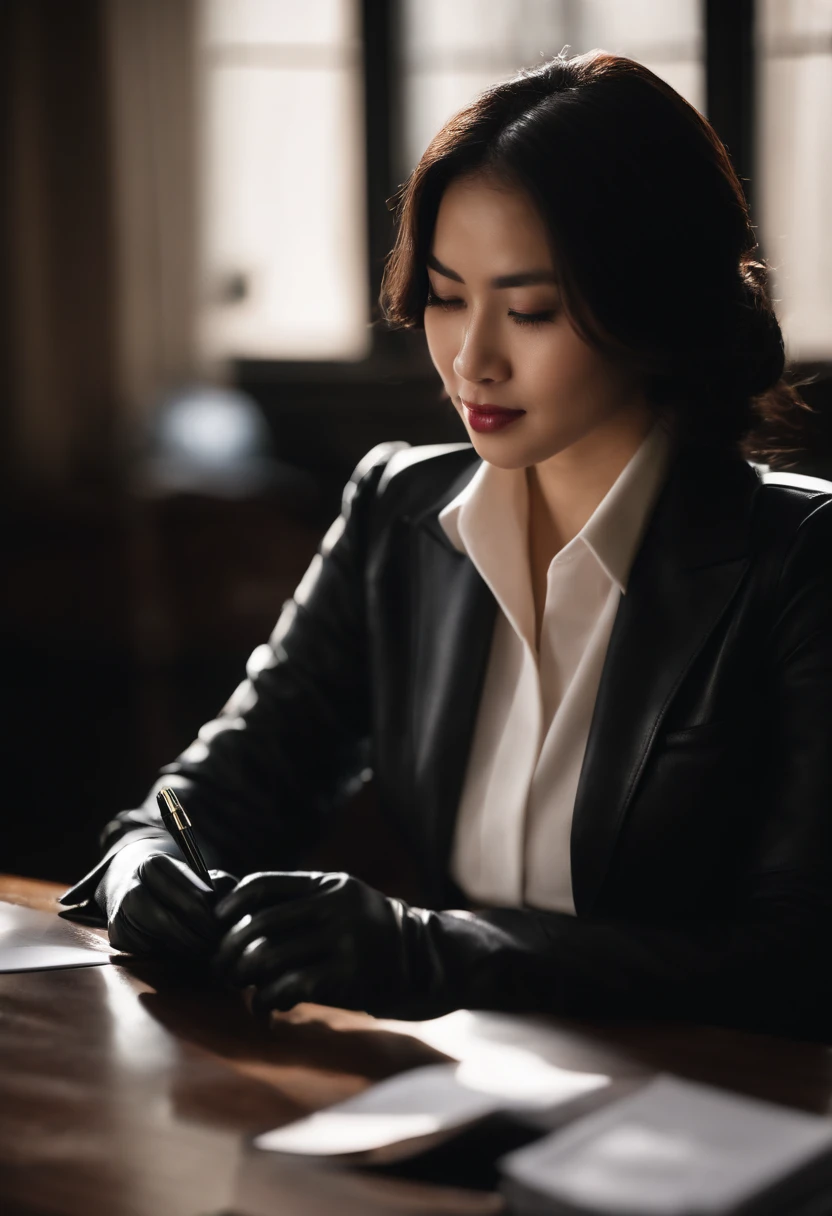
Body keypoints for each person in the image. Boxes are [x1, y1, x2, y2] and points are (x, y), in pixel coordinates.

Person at [61, 50, 832, 1040]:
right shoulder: (399, 511)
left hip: (719, 1129)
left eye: (529, 310)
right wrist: (142, 865)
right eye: (443, 294)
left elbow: (798, 960)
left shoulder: (799, 560)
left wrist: (433, 949)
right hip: (462, 1097)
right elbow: (213, 793)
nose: (471, 359)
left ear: (656, 308)